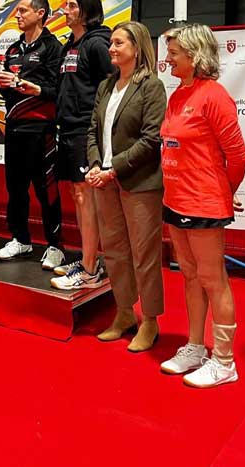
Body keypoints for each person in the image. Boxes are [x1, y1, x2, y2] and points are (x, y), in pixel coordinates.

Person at [158, 23, 245, 388]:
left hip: (204, 203)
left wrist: (222, 195)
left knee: (213, 279)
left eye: (174, 52)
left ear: (195, 56)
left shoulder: (214, 96)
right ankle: (195, 346)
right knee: (191, 276)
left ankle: (224, 362)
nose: (168, 58)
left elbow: (238, 156)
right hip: (175, 198)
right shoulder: (178, 94)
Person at [86, 21, 167, 352]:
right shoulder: (106, 85)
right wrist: (95, 164)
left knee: (144, 255)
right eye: (112, 44)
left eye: (119, 43)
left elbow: (151, 139)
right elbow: (92, 129)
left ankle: (149, 321)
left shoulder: (151, 86)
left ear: (137, 47)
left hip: (139, 182)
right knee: (116, 252)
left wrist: (113, 168)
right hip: (104, 180)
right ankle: (123, 313)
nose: (112, 49)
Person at [50, 0, 114, 290]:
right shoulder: (68, 46)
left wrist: (98, 128)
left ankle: (90, 269)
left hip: (86, 130)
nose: (65, 10)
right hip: (68, 128)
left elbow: (111, 86)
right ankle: (88, 256)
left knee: (85, 195)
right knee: (78, 196)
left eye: (72, 6)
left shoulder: (99, 44)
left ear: (87, 11)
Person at [0, 0, 63, 265]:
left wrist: (36, 89)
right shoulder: (12, 50)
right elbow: (7, 86)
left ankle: (55, 246)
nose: (17, 15)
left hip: (41, 129)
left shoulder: (53, 48)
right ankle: (20, 240)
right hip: (14, 128)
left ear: (40, 13)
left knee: (46, 189)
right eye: (17, 11)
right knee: (15, 188)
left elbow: (60, 91)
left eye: (23, 11)